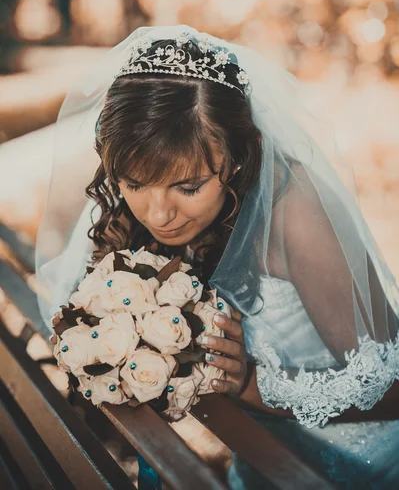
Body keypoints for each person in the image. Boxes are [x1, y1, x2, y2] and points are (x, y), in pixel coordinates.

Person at [37, 25, 399, 489]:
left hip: (362, 466)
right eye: (132, 183)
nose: (159, 214)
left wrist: (250, 383)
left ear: (240, 159)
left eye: (188, 187)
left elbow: (388, 390)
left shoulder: (295, 215)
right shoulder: (145, 211)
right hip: (258, 458)